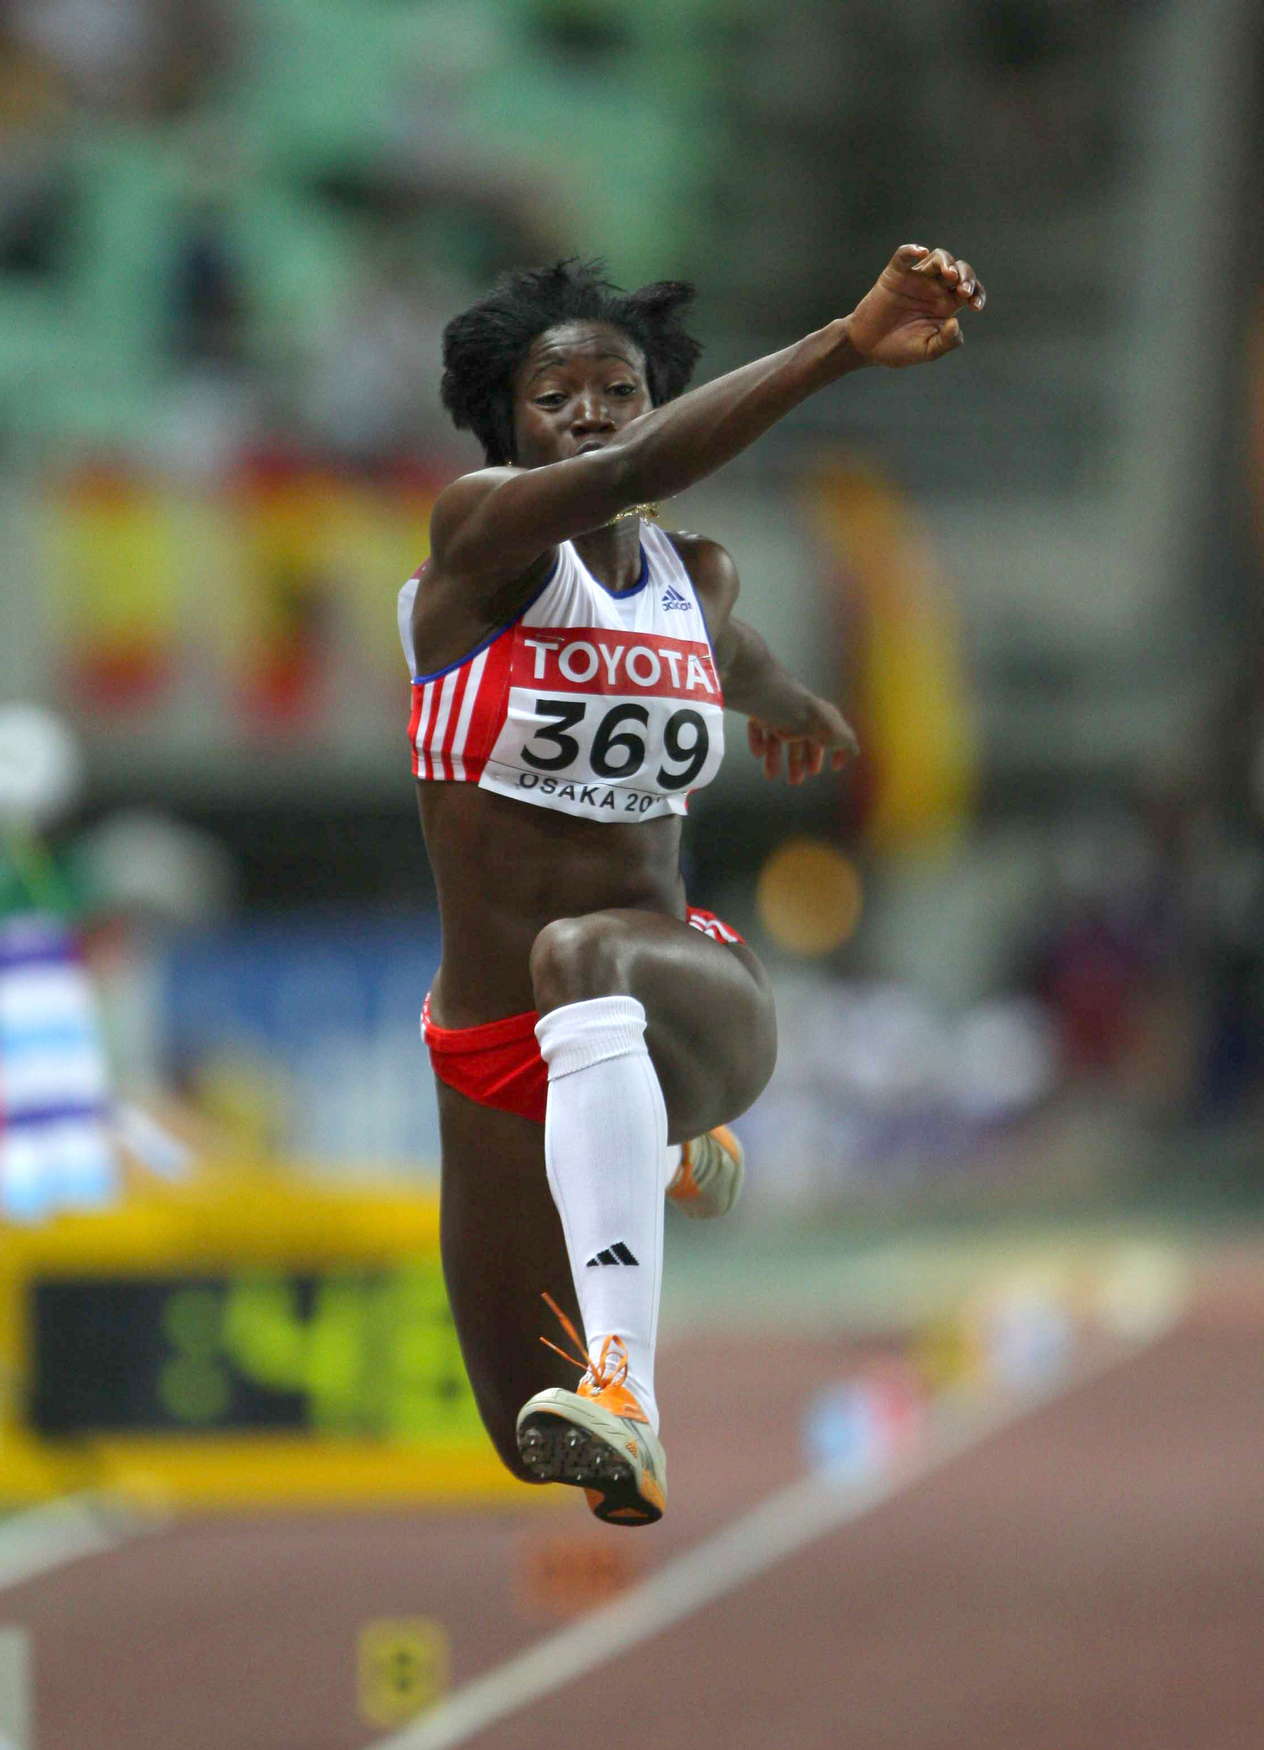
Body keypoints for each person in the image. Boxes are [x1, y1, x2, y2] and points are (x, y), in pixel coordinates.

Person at [399, 243, 985, 1525]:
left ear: (654, 398)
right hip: (491, 1049)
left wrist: (796, 708)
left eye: (620, 390)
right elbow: (630, 476)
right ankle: (639, 1136)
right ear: (508, 424)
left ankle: (629, 1378)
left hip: (677, 984)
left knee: (582, 953)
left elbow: (738, 655)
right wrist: (841, 345)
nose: (591, 413)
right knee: (525, 1441)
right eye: (557, 396)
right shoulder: (478, 540)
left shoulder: (693, 579)